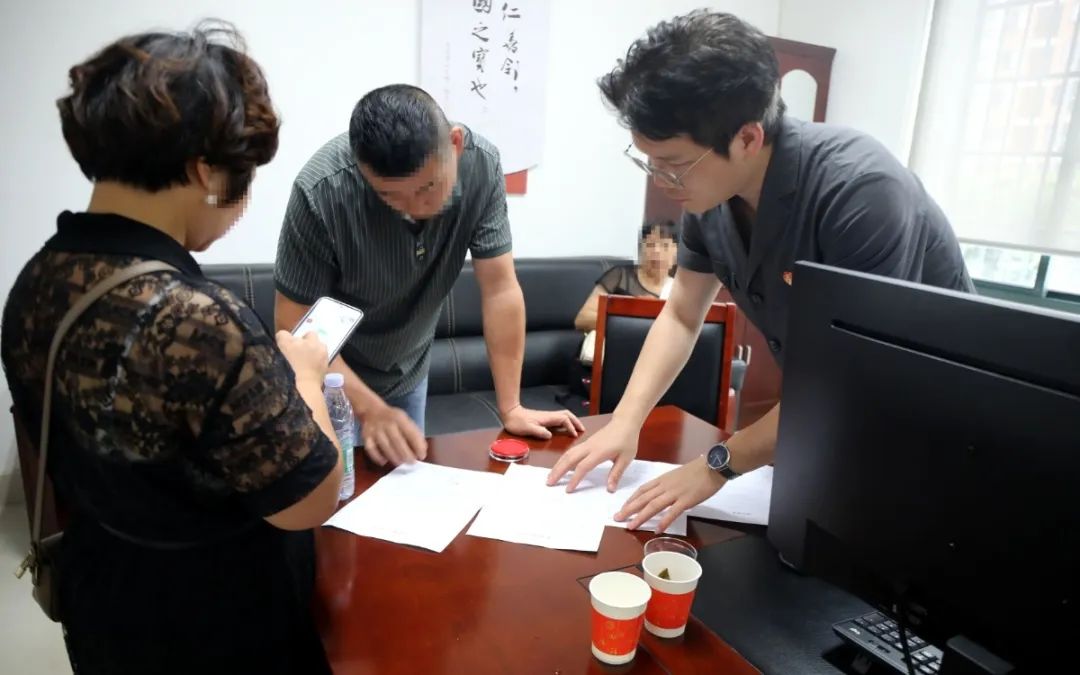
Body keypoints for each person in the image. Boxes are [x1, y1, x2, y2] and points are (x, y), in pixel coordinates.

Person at [547, 11, 974, 531]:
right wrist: (625, 420)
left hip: (933, 425)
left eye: (673, 164)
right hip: (832, 420)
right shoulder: (709, 195)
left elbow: (849, 383)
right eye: (649, 162)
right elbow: (682, 315)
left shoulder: (858, 192)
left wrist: (716, 465)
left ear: (748, 138)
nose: (661, 180)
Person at [1, 24, 342, 674]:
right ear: (204, 170)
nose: (240, 203)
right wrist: (305, 372)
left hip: (103, 595)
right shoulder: (200, 321)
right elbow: (310, 500)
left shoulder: (38, 282)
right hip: (213, 621)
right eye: (242, 177)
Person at [274, 85, 584, 467]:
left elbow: (500, 289)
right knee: (336, 490)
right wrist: (369, 409)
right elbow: (295, 325)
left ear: (455, 144)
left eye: (429, 187)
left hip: (409, 368)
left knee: (406, 487)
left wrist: (512, 407)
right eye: (390, 197)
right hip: (333, 379)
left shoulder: (482, 168)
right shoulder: (320, 190)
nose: (415, 208)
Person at [574, 219, 679, 333]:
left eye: (664, 245)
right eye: (650, 245)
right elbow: (582, 319)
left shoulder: (679, 290)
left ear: (676, 252)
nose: (656, 251)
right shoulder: (619, 276)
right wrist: (632, 315)